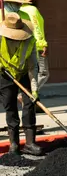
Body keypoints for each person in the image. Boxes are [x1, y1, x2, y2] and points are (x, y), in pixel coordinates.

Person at [0, 12, 42, 156]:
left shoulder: (30, 41)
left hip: (24, 73)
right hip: (4, 75)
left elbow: (32, 67)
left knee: (29, 103)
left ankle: (30, 143)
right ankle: (14, 144)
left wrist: (34, 90)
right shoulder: (0, 40)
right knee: (10, 105)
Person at [20, 0, 49, 113]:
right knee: (43, 73)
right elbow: (37, 28)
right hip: (37, 45)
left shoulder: (21, 10)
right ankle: (28, 94)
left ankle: (32, 99)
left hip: (27, 45)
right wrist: (43, 44)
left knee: (33, 73)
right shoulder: (33, 10)